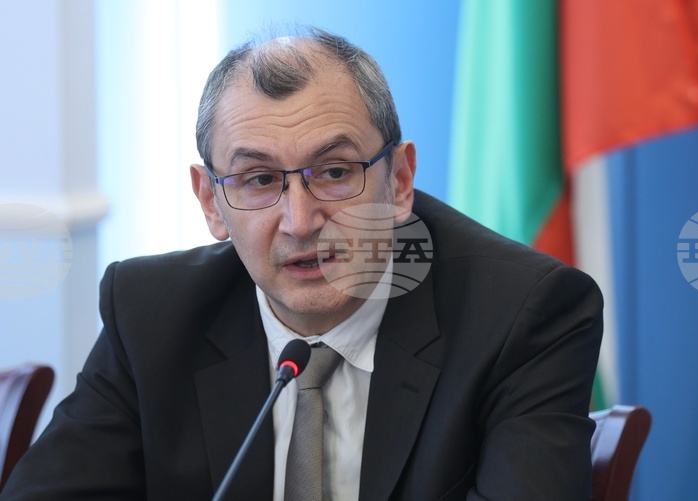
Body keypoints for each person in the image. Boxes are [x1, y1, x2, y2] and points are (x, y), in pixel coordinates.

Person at [1, 27, 603, 500]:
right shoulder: (149, 314)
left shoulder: (522, 315)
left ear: (398, 181)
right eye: (260, 180)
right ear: (211, 202)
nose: (300, 220)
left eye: (335, 172)